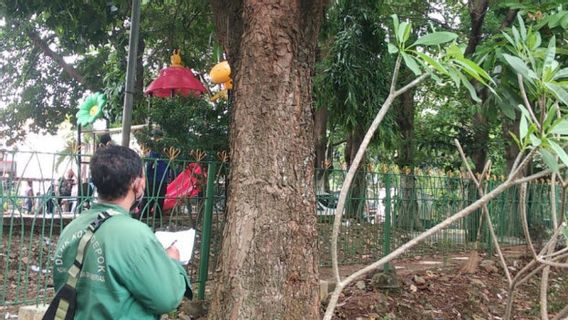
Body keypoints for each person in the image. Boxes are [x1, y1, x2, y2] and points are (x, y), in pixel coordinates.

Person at [52, 145, 191, 319]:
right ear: (137, 183)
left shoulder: (73, 227)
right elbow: (167, 299)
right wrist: (172, 262)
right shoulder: (135, 234)